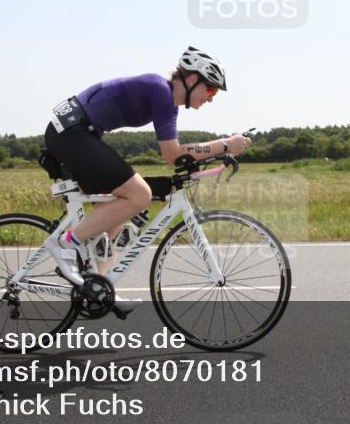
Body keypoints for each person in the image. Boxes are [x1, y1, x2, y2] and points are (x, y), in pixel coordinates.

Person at [43, 47, 251, 314]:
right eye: (210, 90)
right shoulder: (160, 90)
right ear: (191, 80)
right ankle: (65, 244)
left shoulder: (169, 104)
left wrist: (214, 154)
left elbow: (176, 156)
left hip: (81, 133)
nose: (211, 98)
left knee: (117, 214)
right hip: (72, 131)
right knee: (139, 195)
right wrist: (225, 144)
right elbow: (174, 154)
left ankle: (99, 288)